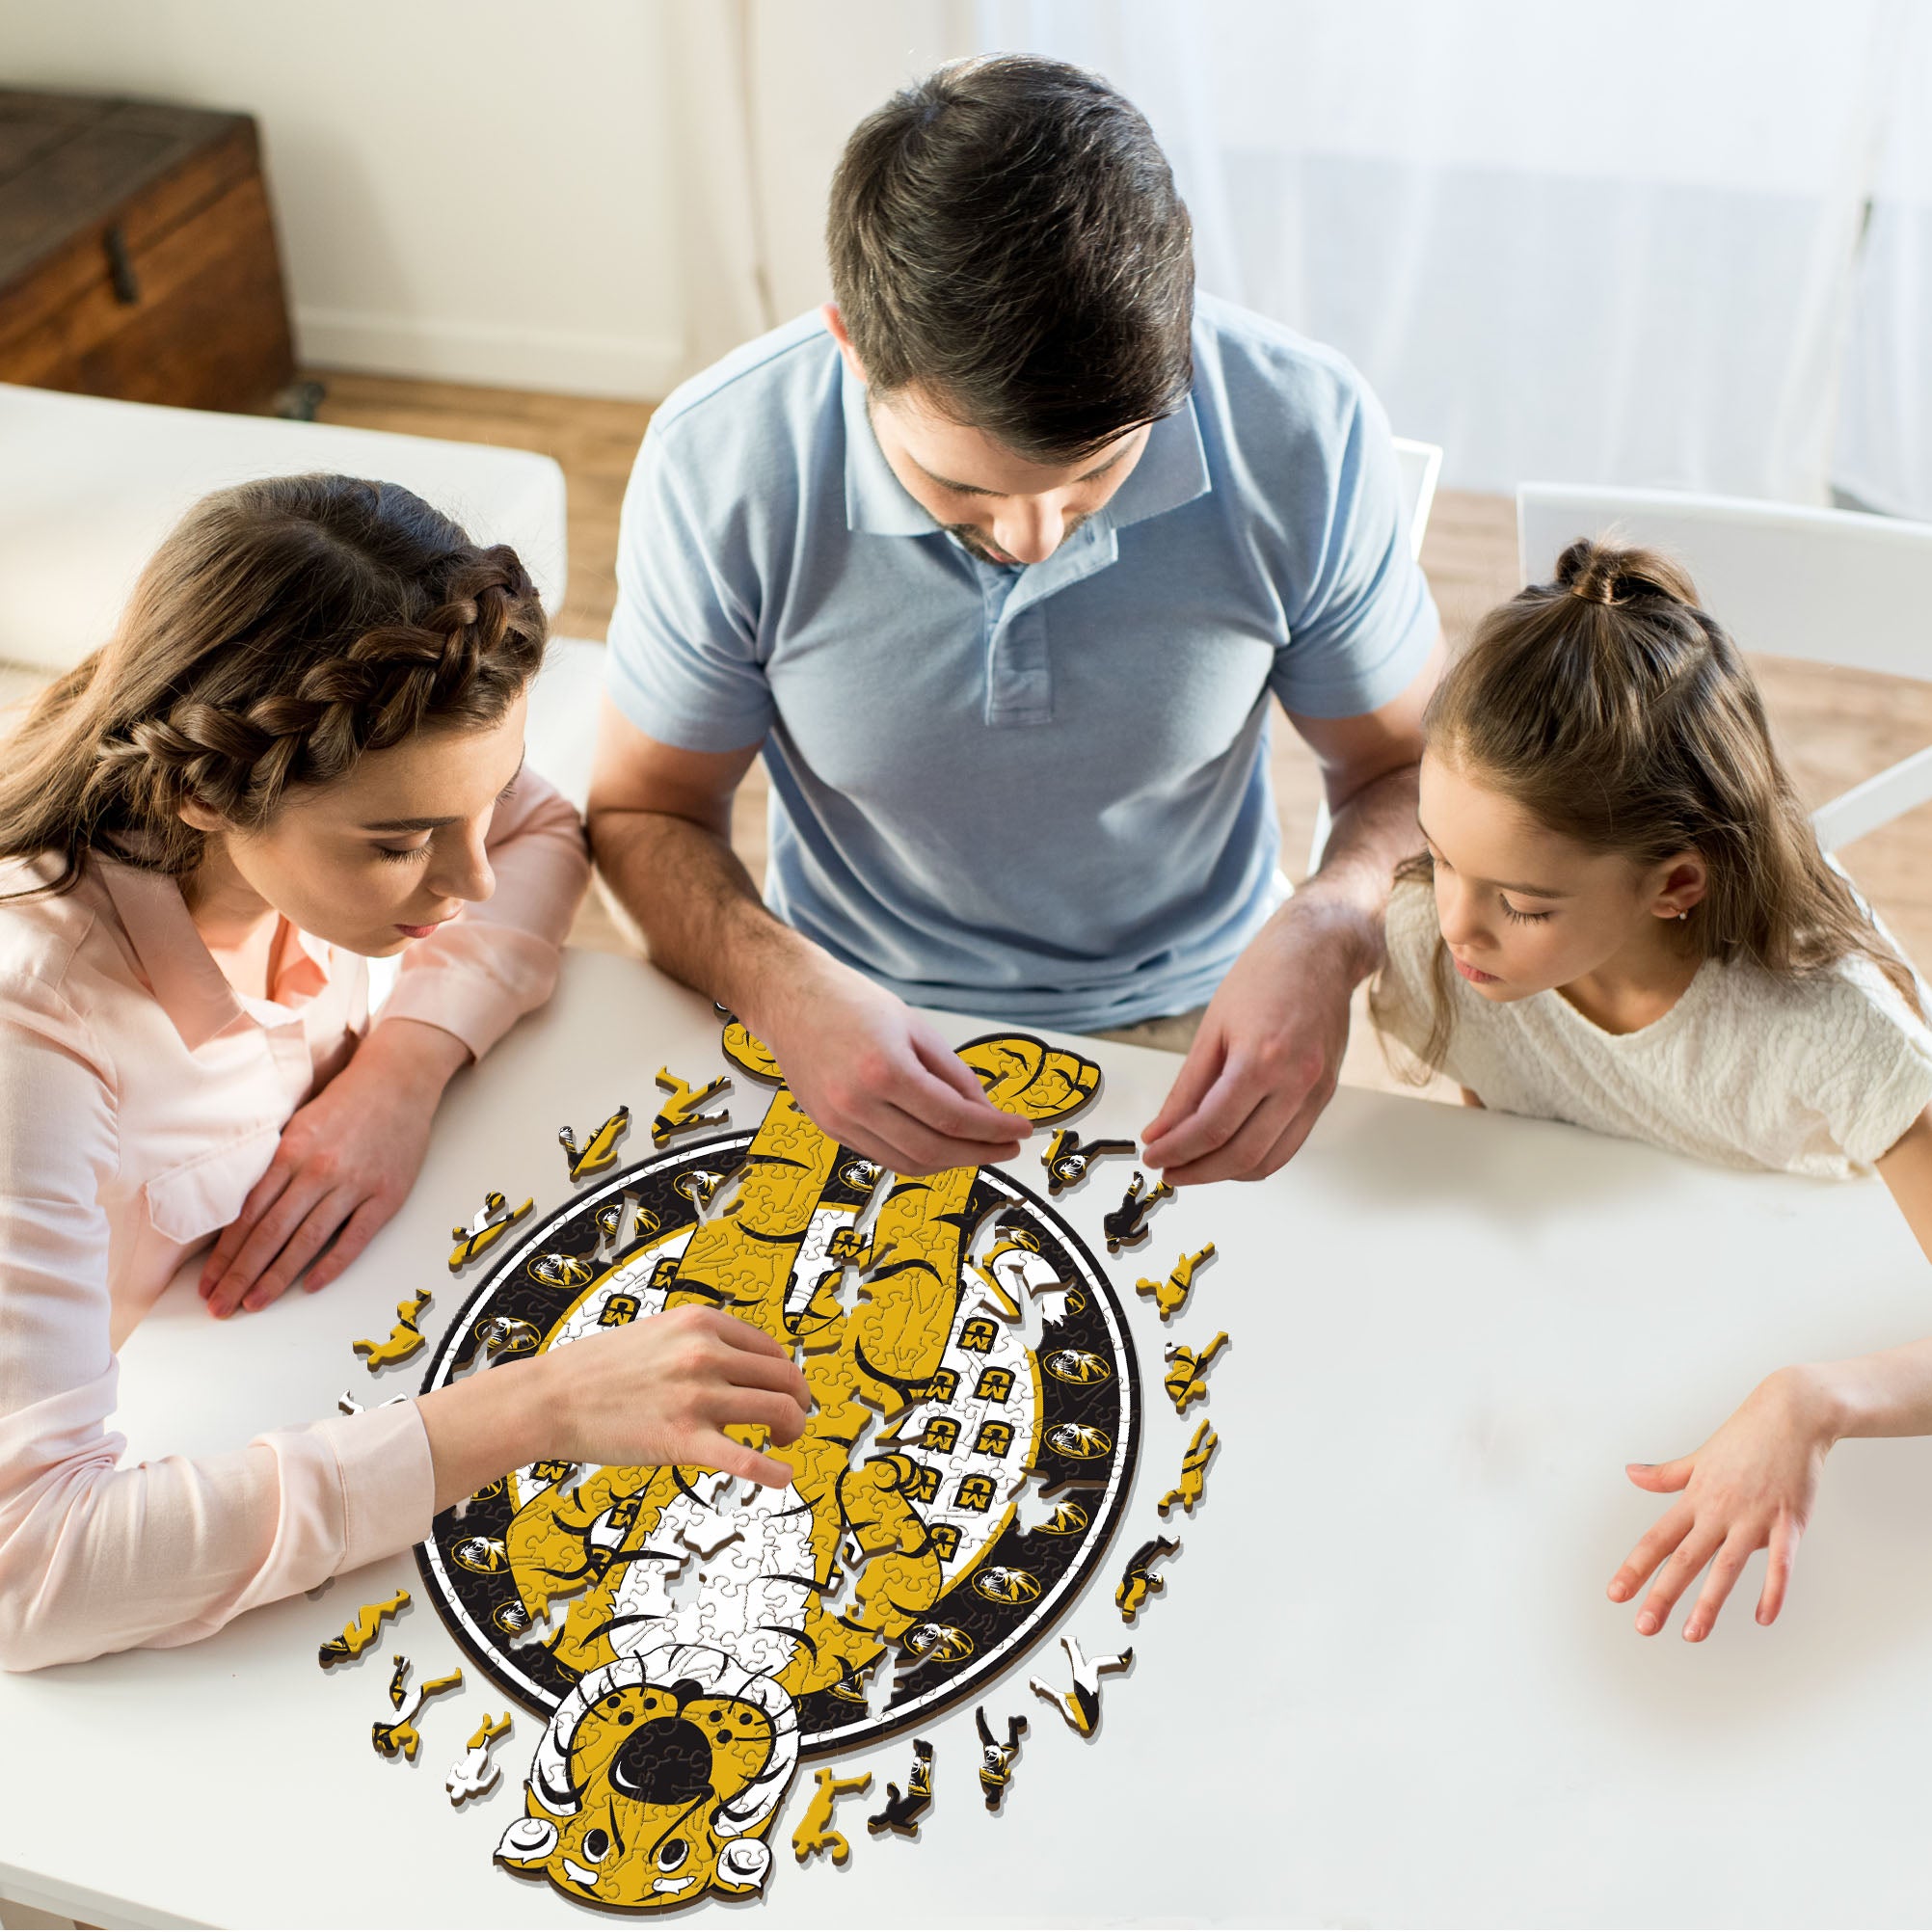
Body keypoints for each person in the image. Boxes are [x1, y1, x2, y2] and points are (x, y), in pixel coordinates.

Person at [588, 55, 1443, 1186]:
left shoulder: (1304, 430)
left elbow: (1409, 772)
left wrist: (1333, 930)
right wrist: (779, 986)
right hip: (840, 1008)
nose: (1034, 537)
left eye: (1095, 477)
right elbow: (645, 811)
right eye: (963, 488)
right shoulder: (721, 463)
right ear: (853, 348)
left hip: (1205, 1008)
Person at [0, 476, 809, 1671]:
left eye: (480, 800)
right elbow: (32, 1571)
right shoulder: (35, 1035)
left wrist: (403, 1065)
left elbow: (538, 831)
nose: (470, 882)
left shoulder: (318, 792)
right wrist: (542, 1407)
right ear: (201, 794)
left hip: (281, 1343)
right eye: (398, 844)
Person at [1370, 537, 1932, 1644]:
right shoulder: (1444, 947)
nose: (1456, 926)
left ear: (1675, 884)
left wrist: (1813, 1400)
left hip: (1844, 1339)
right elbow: (1517, 1130)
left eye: (1523, 904)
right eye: (1441, 857)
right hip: (1623, 1318)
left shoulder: (1831, 1031)